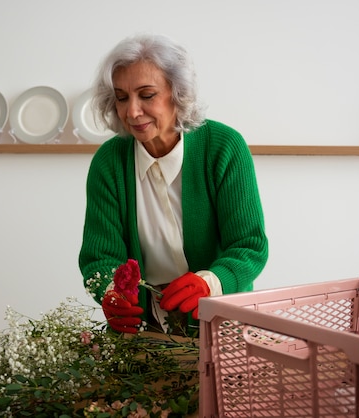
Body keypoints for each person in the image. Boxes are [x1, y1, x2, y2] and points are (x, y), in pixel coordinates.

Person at [79, 33, 268, 335]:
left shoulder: (224, 147)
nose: (132, 111)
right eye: (122, 97)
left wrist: (210, 282)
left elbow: (249, 246)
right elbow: (100, 256)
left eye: (147, 94)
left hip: (220, 316)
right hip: (140, 324)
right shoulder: (109, 161)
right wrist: (110, 293)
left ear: (177, 94)